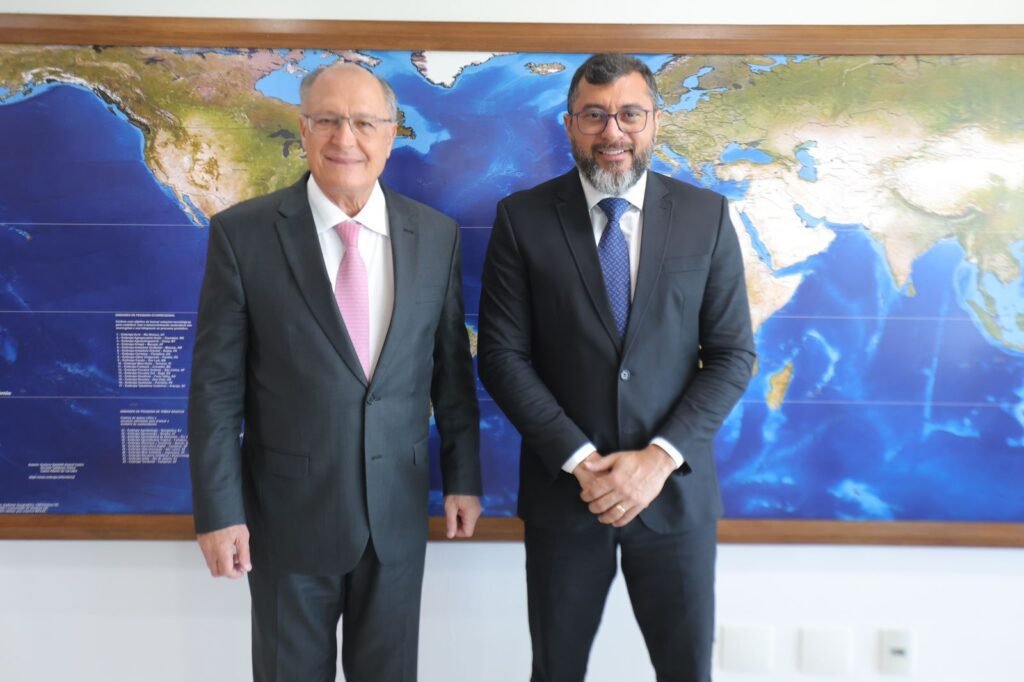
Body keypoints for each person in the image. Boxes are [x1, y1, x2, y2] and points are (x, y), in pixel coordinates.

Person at [188, 63, 482, 682]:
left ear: (391, 133)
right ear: (303, 129)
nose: (345, 138)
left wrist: (463, 478)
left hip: (396, 519)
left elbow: (452, 372)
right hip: (287, 523)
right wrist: (218, 511)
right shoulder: (243, 236)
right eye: (327, 120)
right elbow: (215, 391)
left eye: (364, 123)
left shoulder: (436, 236)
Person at [478, 53, 755, 682]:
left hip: (675, 497)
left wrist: (657, 460)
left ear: (654, 120)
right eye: (594, 116)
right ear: (570, 124)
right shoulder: (522, 219)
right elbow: (500, 355)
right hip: (566, 496)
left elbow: (733, 355)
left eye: (630, 114)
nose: (613, 132)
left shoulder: (706, 216)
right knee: (556, 671)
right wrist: (582, 462)